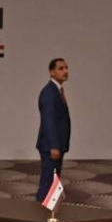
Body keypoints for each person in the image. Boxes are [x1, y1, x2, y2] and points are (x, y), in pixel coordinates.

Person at [35, 58, 71, 202]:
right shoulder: (49, 93)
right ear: (52, 72)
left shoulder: (57, 90)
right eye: (61, 68)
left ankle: (50, 210)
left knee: (53, 181)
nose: (65, 71)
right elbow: (48, 121)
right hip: (51, 147)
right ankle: (40, 210)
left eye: (66, 68)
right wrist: (54, 146)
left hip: (56, 146)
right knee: (48, 182)